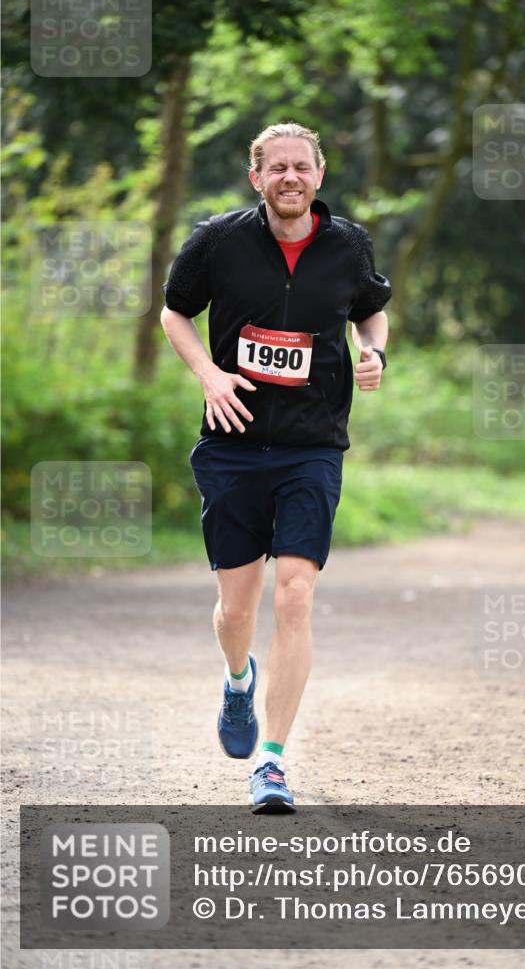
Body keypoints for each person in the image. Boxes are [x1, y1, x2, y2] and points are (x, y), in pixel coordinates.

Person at [160, 122, 390, 813]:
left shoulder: (347, 245)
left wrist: (374, 352)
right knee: (237, 609)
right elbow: (174, 314)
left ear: (319, 176)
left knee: (294, 593)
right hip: (231, 443)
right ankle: (237, 682)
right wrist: (208, 375)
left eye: (302, 167)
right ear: (255, 178)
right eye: (277, 168)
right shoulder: (218, 241)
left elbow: (371, 314)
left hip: (311, 444)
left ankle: (273, 761)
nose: (290, 178)